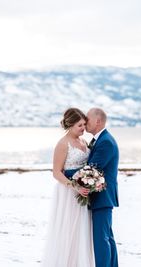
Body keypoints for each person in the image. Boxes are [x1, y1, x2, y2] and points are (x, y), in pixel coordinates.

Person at [42, 107, 95, 267]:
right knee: (68, 229)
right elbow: (56, 172)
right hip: (68, 192)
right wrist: (75, 186)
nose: (83, 128)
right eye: (80, 125)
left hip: (84, 191)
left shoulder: (84, 141)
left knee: (82, 230)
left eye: (84, 125)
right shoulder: (63, 144)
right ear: (70, 125)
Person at [86, 108, 119, 267]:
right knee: (107, 238)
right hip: (103, 196)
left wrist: (65, 171)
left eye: (88, 119)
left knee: (101, 240)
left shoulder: (105, 141)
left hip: (102, 196)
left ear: (98, 121)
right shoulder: (100, 139)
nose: (85, 122)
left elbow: (92, 169)